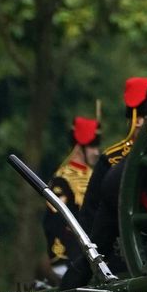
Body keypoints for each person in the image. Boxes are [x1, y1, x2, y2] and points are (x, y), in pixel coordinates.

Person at [61, 77, 147, 290]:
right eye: (90, 145)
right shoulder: (110, 160)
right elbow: (81, 220)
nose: (95, 150)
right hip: (106, 248)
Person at [44, 114, 100, 282]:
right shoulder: (61, 179)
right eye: (92, 145)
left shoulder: (94, 174)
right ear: (78, 146)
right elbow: (58, 223)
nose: (97, 151)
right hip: (68, 257)